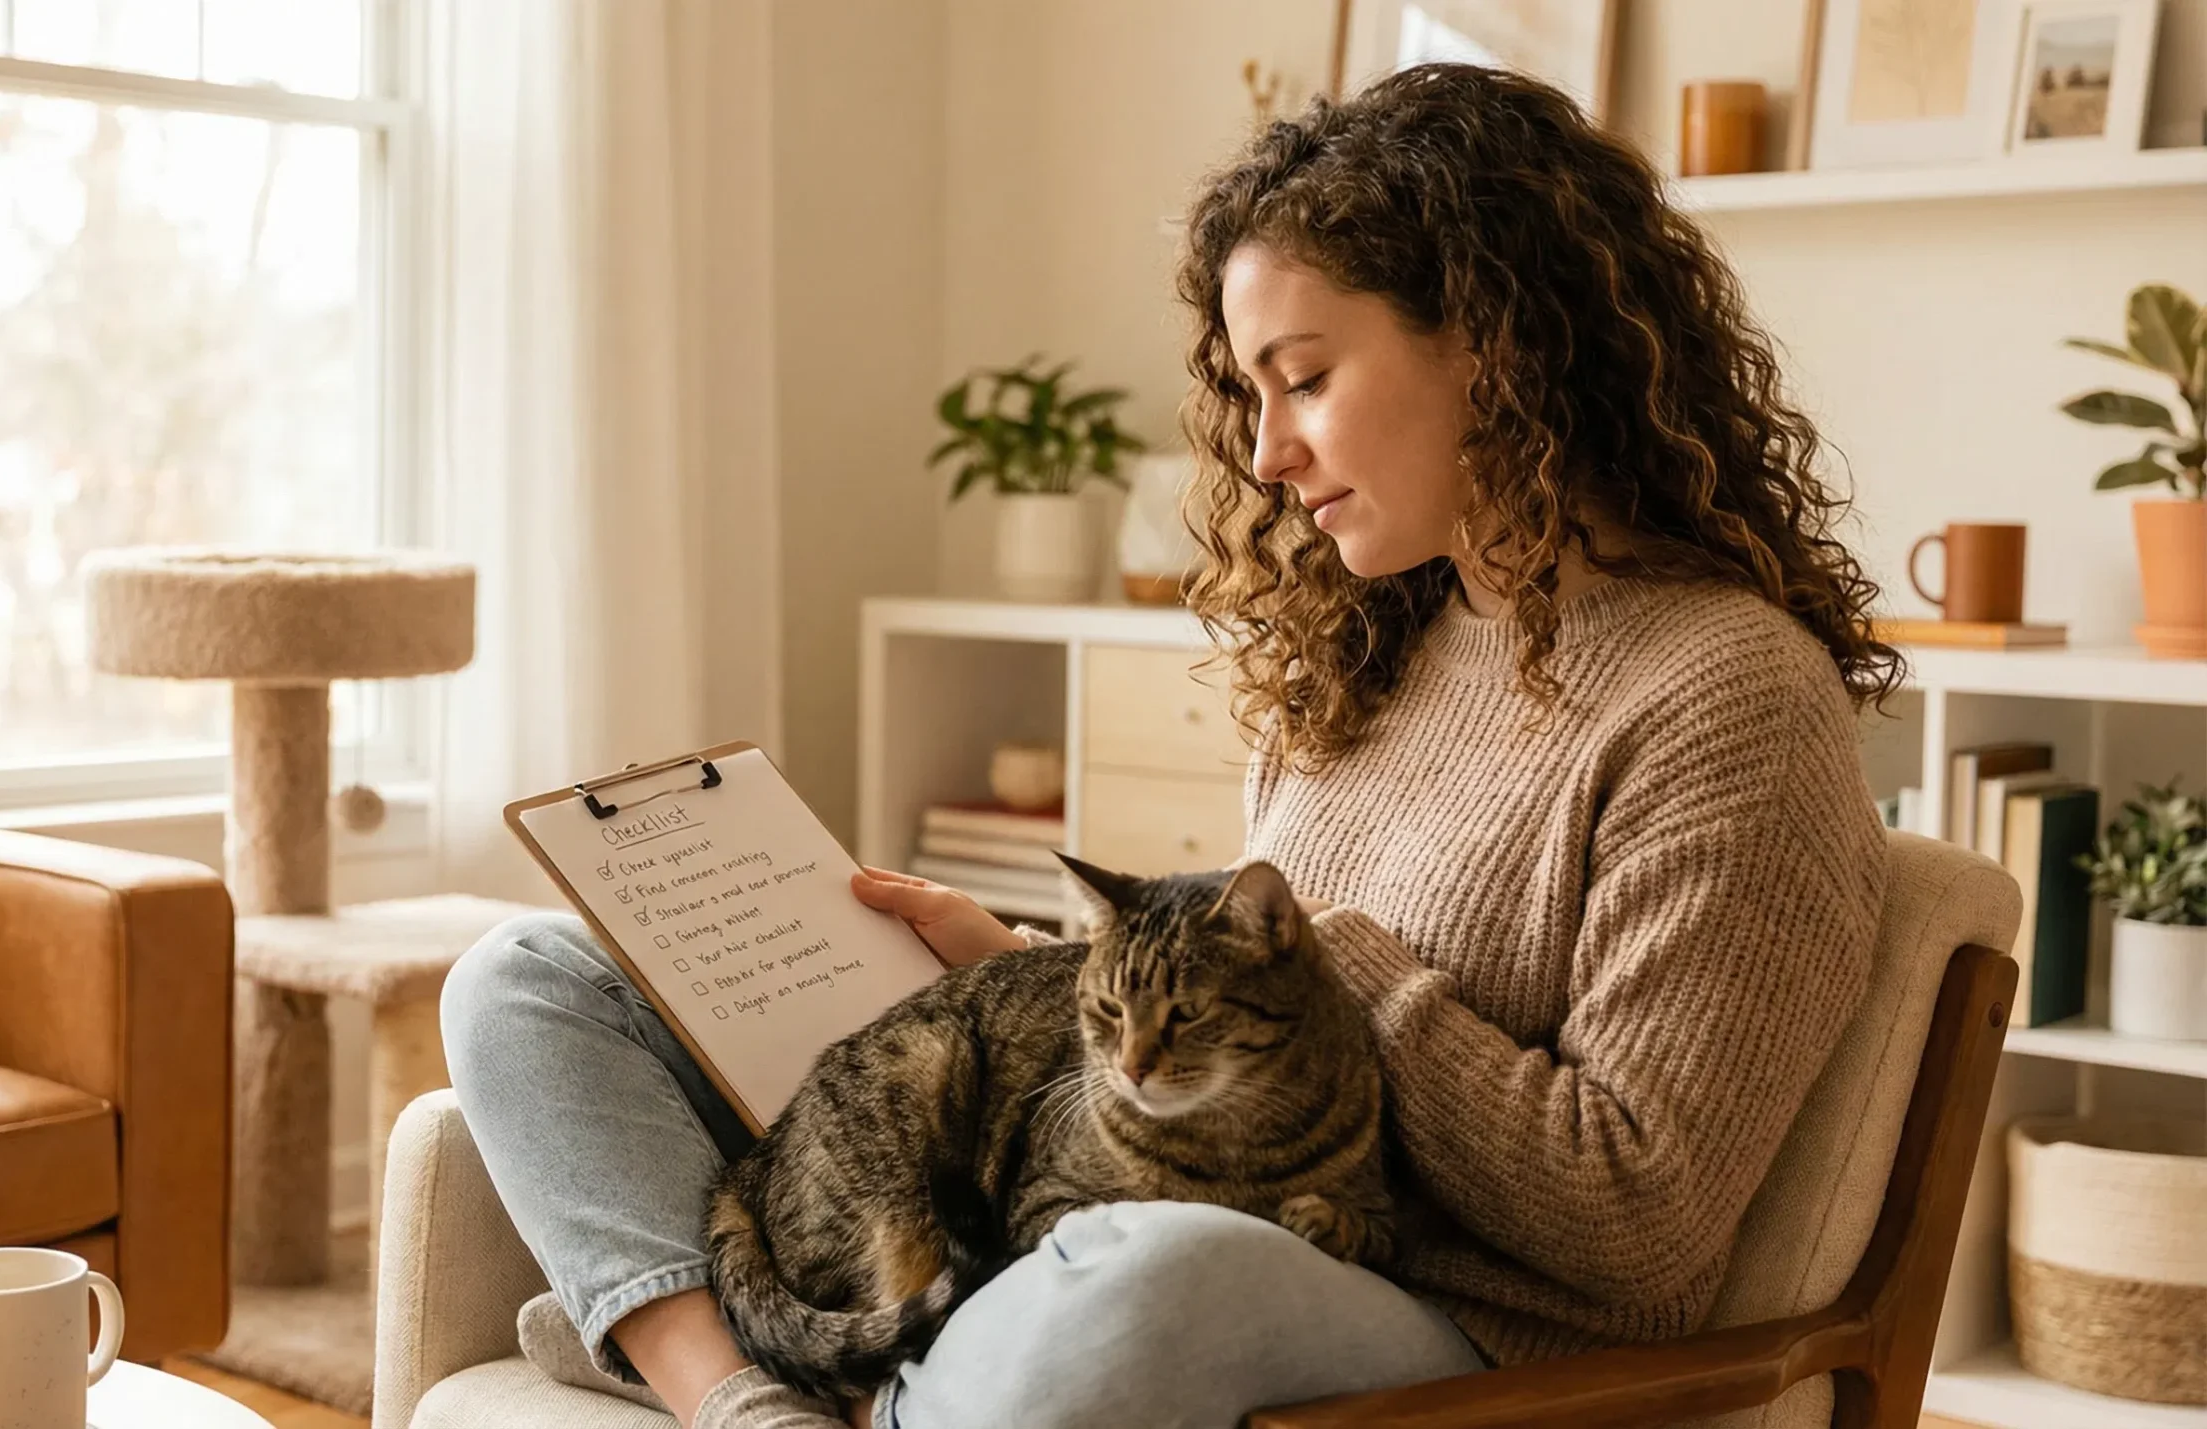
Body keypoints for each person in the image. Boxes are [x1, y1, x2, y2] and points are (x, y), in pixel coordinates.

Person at [441, 62, 1894, 1429]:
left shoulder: (1729, 699)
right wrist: (1027, 973)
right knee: (534, 981)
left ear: (1497, 346)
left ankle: (868, 1368)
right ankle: (736, 1391)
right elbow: (1219, 1021)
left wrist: (1340, 961)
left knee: (1142, 1279)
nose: (1265, 455)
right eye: (1252, 394)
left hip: (1436, 1321)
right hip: (1184, 1182)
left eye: (1306, 378)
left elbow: (1634, 1222)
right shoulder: (1381, 651)